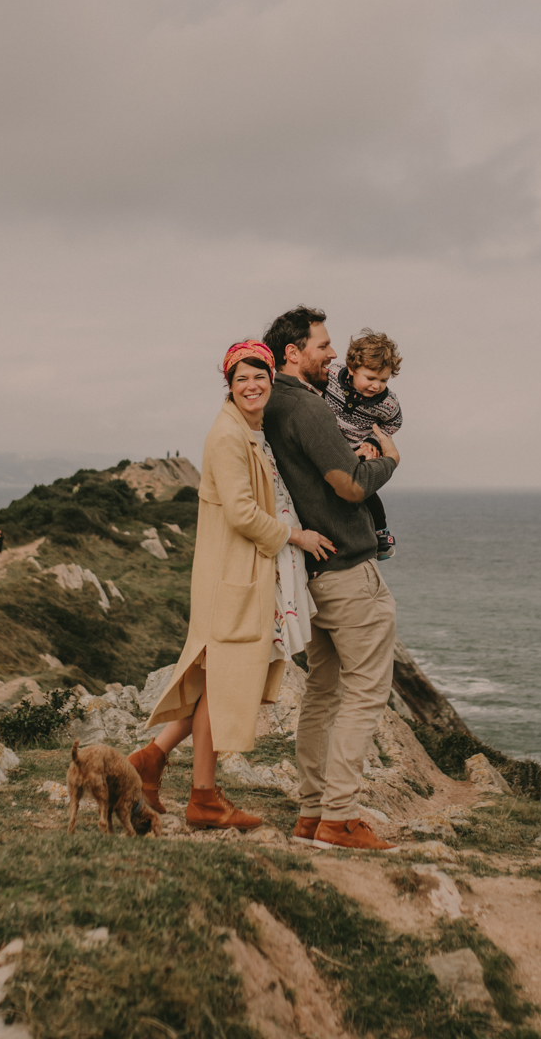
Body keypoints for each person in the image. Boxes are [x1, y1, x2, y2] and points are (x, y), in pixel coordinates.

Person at [132, 341, 335, 830]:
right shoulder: (227, 436)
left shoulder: (248, 430)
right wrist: (297, 536)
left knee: (213, 687)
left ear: (271, 377)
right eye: (241, 378)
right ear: (229, 383)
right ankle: (200, 795)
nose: (252, 385)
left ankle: (153, 762)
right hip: (233, 580)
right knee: (222, 687)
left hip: (235, 578)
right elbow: (244, 514)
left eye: (259, 376)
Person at [260, 305, 402, 851]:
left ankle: (312, 811)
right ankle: (339, 817)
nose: (332, 354)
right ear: (293, 351)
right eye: (322, 345)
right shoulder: (310, 409)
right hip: (346, 570)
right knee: (366, 690)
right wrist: (389, 460)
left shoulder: (271, 406)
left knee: (322, 691)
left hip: (310, 572)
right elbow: (348, 484)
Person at [323, 329, 404, 560]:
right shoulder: (331, 375)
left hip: (359, 447)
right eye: (370, 378)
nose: (376, 385)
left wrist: (372, 440)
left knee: (363, 489)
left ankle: (381, 533)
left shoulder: (388, 403)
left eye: (383, 380)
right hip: (329, 441)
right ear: (351, 368)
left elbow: (394, 422)